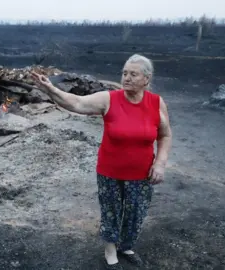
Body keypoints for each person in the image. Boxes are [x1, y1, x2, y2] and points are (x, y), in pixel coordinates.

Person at [30, 54, 172, 269]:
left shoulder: (156, 103)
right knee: (111, 211)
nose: (126, 78)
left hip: (142, 172)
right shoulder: (109, 99)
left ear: (146, 79)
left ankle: (125, 245)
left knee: (136, 213)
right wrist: (50, 89)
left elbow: (165, 134)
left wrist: (160, 163)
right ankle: (110, 248)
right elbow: (77, 103)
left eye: (133, 74)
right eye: (124, 73)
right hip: (110, 171)